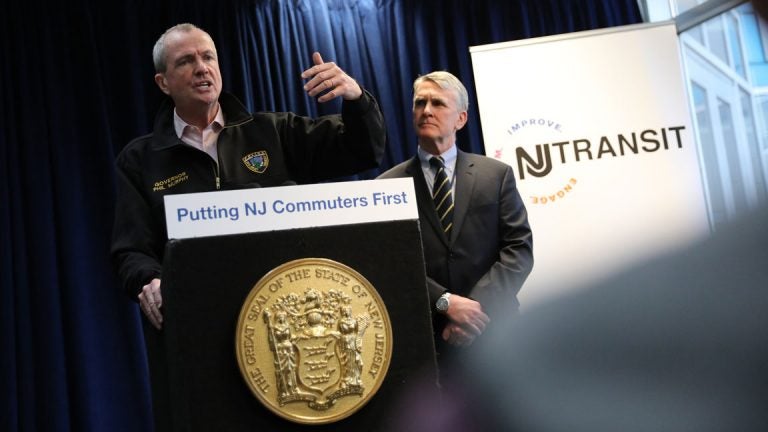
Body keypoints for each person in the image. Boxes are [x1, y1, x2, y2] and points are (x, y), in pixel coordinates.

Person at [110, 23, 385, 330]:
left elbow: (362, 150)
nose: (201, 68)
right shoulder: (140, 160)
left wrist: (356, 98)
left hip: (282, 313)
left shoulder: (272, 132)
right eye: (186, 61)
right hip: (199, 320)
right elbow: (131, 250)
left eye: (208, 58)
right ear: (163, 82)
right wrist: (149, 280)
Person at [377, 71, 533, 377]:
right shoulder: (386, 186)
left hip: (495, 329)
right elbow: (388, 263)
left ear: (460, 119)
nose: (427, 111)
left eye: (438, 103)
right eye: (420, 103)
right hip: (426, 338)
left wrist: (474, 309)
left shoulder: (496, 175)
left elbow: (518, 250)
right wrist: (445, 303)